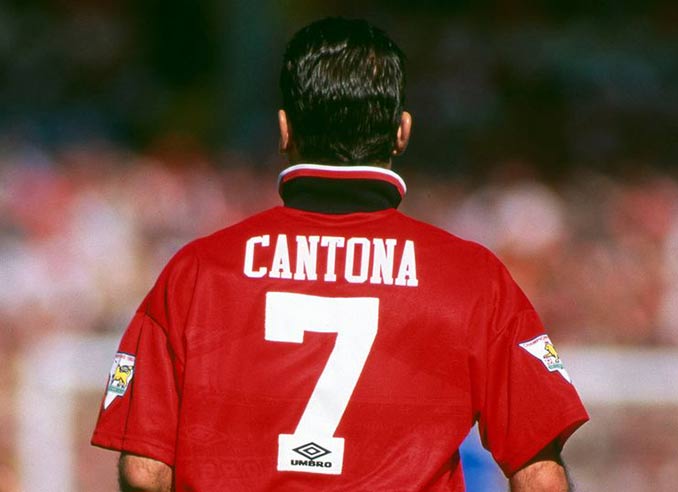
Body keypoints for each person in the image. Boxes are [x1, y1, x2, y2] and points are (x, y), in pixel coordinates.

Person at [91, 17, 588, 491]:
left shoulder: (198, 271)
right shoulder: (472, 278)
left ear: (285, 130)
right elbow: (541, 479)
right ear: (402, 132)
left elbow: (144, 472)